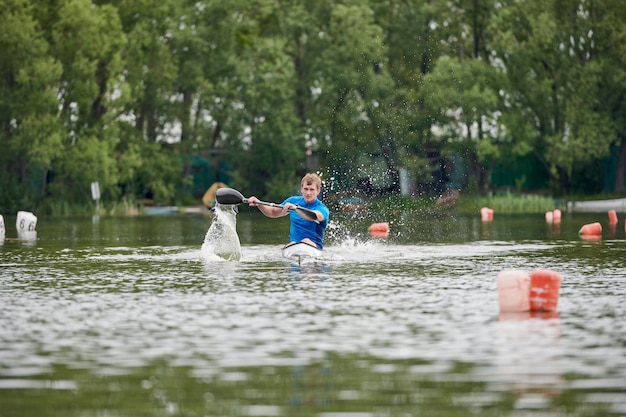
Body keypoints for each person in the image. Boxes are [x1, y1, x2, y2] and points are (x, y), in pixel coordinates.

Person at [248, 173, 330, 249]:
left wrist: (295, 208)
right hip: (293, 246)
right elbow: (273, 212)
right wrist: (258, 203)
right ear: (301, 189)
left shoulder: (322, 208)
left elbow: (313, 216)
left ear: (318, 191)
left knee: (306, 241)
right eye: (306, 189)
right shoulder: (293, 201)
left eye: (312, 189)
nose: (308, 193)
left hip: (314, 247)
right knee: (291, 245)